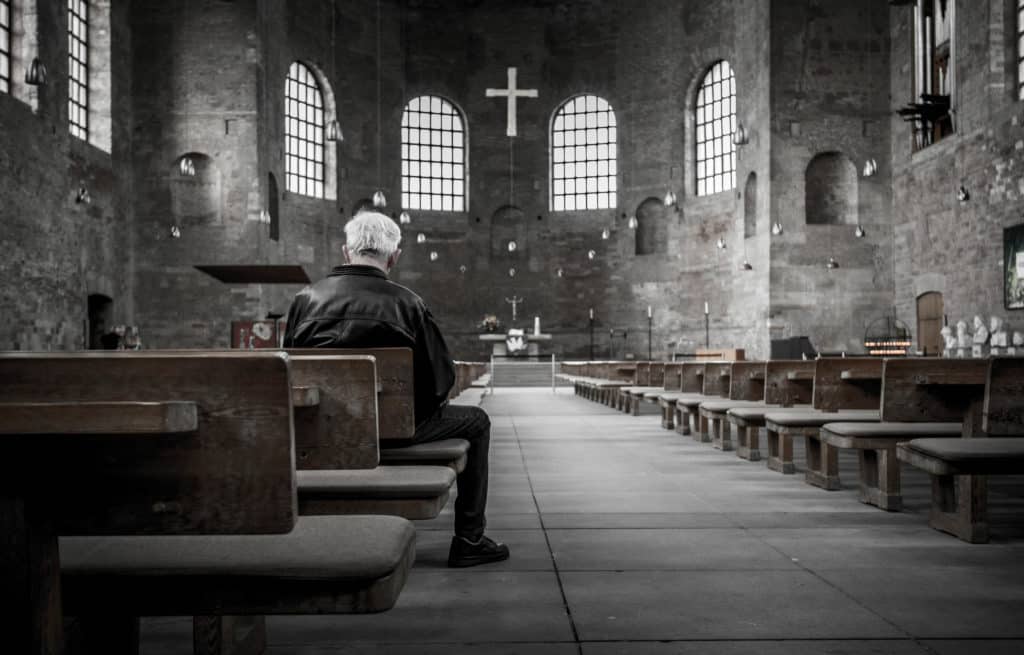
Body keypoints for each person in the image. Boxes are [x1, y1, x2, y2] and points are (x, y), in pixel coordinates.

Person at [283, 210, 509, 568]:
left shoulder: (304, 301)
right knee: (477, 421)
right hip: (399, 432)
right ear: (394, 256)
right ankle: (470, 538)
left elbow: (291, 374)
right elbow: (441, 382)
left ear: (345, 252)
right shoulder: (408, 303)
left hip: (325, 433)